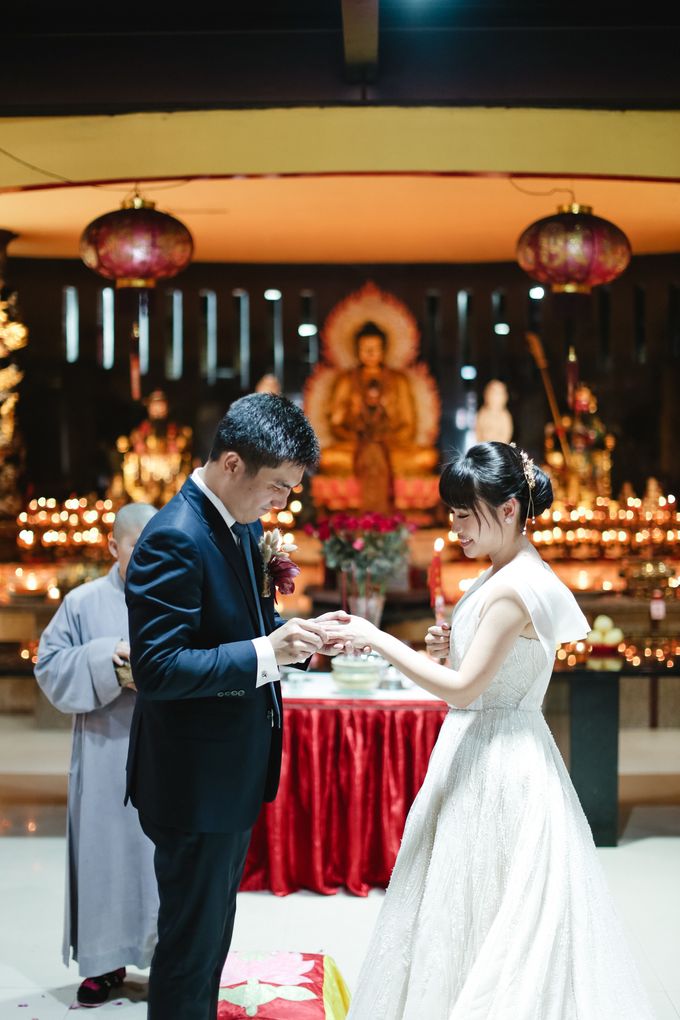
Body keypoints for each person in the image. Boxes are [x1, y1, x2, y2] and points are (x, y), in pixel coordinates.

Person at [334, 442, 656, 1019]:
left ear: (508, 510)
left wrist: (376, 637)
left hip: (498, 758)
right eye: (453, 513)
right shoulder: (509, 570)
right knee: (474, 909)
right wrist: (449, 645)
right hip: (492, 746)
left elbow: (463, 691)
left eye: (466, 513)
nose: (455, 527)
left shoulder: (513, 587)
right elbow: (478, 666)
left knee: (495, 914)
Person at [125, 393, 347, 1020]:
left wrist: (290, 640)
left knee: (210, 941)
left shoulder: (235, 523)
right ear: (230, 464)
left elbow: (244, 628)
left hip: (225, 775)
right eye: (277, 488)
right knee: (189, 950)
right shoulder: (175, 536)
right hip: (192, 783)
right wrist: (263, 654)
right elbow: (159, 668)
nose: (280, 504)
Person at [34, 502, 159, 1008]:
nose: (148, 558)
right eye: (136, 548)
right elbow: (49, 665)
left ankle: (168, 958)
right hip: (106, 747)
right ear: (113, 547)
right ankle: (105, 963)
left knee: (160, 859)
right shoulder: (83, 604)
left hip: (165, 747)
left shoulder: (176, 595)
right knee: (107, 853)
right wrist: (105, 655)